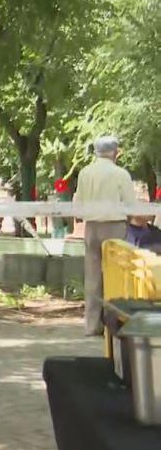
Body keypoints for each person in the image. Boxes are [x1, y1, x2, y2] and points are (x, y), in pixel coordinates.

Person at [73, 136, 136, 336]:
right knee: (116, 275)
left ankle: (92, 325)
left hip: (92, 227)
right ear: (115, 152)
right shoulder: (121, 174)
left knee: (92, 277)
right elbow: (130, 204)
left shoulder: (85, 173)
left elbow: (78, 203)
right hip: (115, 226)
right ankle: (115, 324)